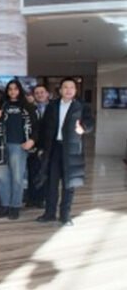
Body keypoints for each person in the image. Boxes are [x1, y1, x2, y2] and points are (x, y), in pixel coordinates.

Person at [36, 78, 94, 226]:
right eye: (65, 87)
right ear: (60, 90)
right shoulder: (52, 105)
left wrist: (83, 128)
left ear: (75, 90)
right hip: (54, 148)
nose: (68, 90)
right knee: (51, 183)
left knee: (69, 184)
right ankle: (49, 213)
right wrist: (41, 147)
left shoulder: (82, 106)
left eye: (71, 87)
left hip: (72, 150)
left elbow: (90, 123)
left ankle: (65, 215)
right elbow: (44, 127)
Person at [0, 79, 38, 220]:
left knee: (17, 177)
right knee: (2, 177)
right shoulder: (2, 105)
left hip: (19, 146)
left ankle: (15, 206)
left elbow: (36, 126)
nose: (13, 91)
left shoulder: (27, 106)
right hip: (2, 145)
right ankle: (4, 205)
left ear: (20, 90)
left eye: (15, 89)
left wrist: (32, 140)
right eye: (10, 89)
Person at [26, 84, 50, 208]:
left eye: (42, 92)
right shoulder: (31, 108)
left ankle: (42, 199)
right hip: (33, 144)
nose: (40, 95)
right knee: (32, 171)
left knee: (45, 173)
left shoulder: (53, 108)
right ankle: (32, 198)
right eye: (37, 93)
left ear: (47, 94)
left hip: (48, 145)